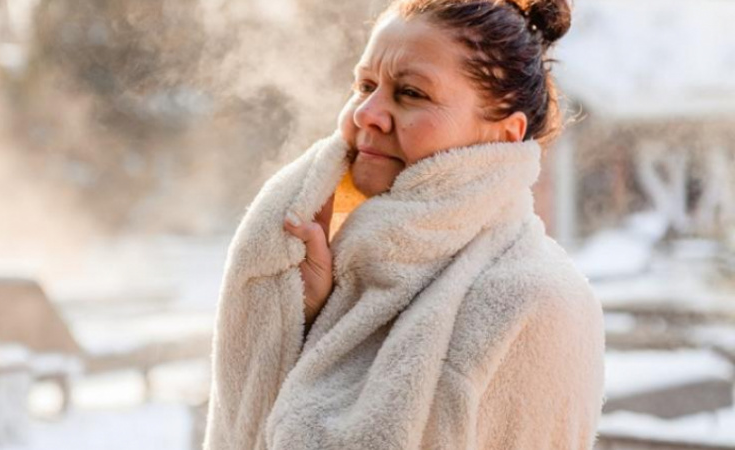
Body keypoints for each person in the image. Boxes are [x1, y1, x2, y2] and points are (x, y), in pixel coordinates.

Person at [203, 0, 605, 448]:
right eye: (364, 85)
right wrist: (311, 319)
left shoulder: (535, 303)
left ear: (504, 133)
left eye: (411, 93)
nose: (365, 113)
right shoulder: (350, 280)